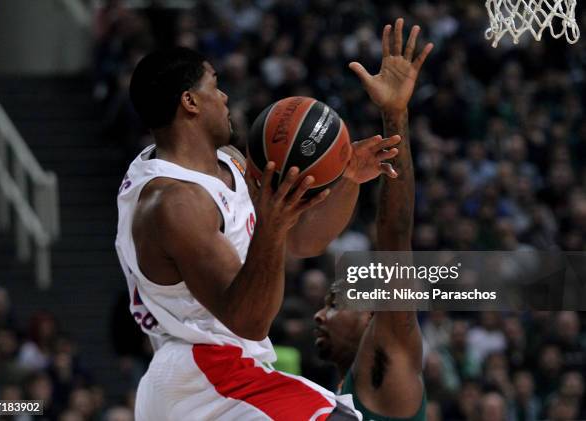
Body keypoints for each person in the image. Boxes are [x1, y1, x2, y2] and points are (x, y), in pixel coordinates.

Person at [115, 23, 417, 419]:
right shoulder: (175, 202)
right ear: (190, 101)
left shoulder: (231, 163)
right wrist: (271, 228)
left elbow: (302, 242)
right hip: (201, 377)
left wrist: (346, 178)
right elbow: (249, 320)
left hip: (225, 371)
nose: (224, 97)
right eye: (214, 85)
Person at [315, 19, 433, 420]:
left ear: (372, 313)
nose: (320, 314)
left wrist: (394, 114)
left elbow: (395, 239)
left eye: (333, 303)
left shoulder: (389, 352)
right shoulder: (347, 389)